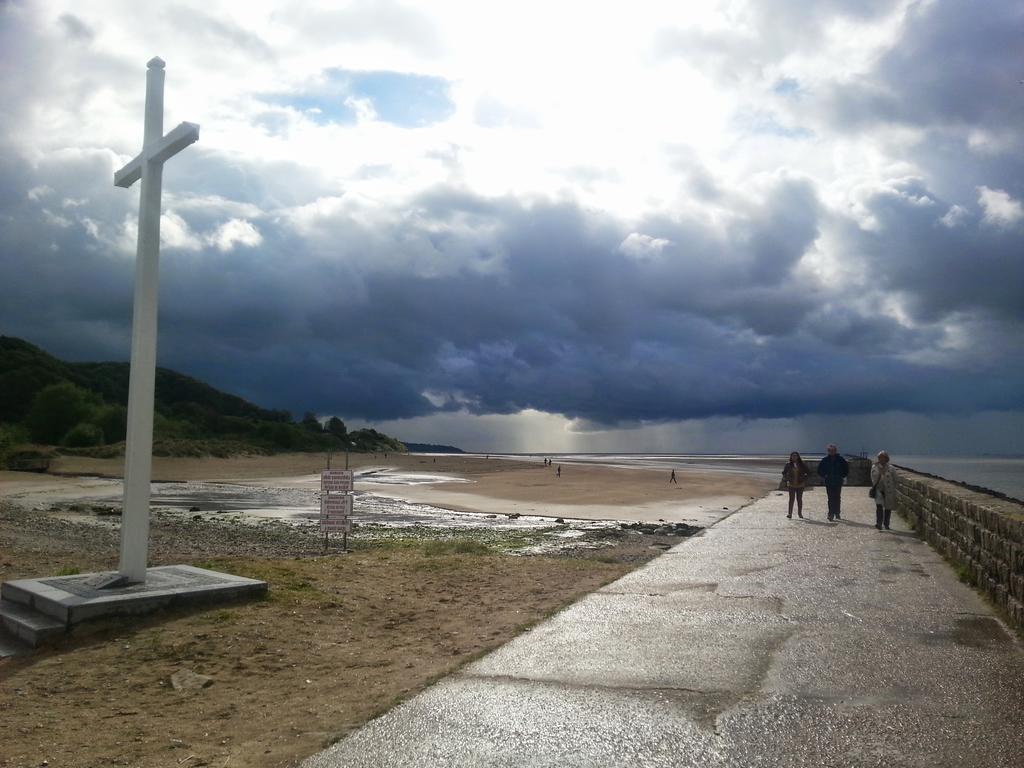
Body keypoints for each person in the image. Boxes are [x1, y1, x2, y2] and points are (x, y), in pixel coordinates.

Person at [817, 443, 850, 521]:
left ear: (836, 451)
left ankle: (837, 513)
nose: (832, 452)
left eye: (833, 450)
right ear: (828, 451)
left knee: (837, 497)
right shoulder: (825, 460)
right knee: (830, 498)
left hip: (838, 481)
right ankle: (831, 513)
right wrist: (824, 475)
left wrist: (842, 476)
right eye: (830, 450)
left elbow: (846, 469)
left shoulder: (841, 459)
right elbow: (819, 470)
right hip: (829, 481)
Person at [871, 450, 898, 530]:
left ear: (886, 458)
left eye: (883, 457)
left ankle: (886, 524)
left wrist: (894, 489)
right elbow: (872, 478)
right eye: (879, 457)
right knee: (879, 506)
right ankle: (879, 523)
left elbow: (895, 479)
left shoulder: (891, 468)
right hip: (879, 489)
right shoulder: (874, 467)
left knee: (887, 508)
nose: (881, 459)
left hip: (889, 490)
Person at [782, 452, 809, 519]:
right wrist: (787, 478)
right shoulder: (788, 464)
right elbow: (784, 473)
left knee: (799, 499)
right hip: (791, 484)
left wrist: (803, 478)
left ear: (798, 457)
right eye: (793, 456)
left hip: (800, 484)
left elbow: (808, 472)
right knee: (791, 499)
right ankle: (789, 513)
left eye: (795, 456)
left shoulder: (802, 464)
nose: (794, 457)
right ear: (791, 457)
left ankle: (800, 513)